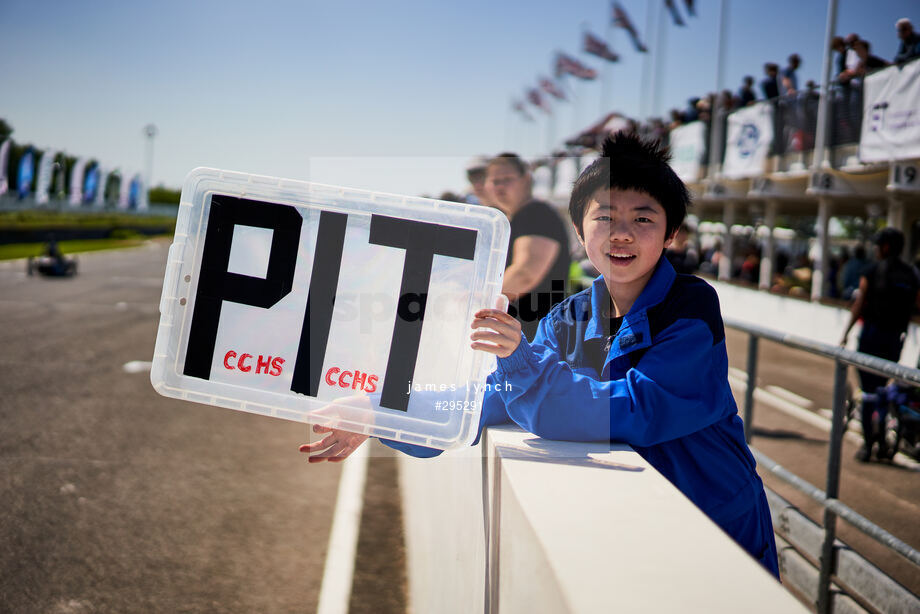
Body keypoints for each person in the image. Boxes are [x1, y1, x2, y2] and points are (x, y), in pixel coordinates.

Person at [302, 133, 781, 579]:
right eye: (605, 217)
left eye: (643, 219)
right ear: (579, 229)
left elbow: (636, 410)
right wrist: (379, 411)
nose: (621, 234)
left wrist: (521, 362)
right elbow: (492, 397)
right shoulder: (568, 316)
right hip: (630, 532)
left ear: (671, 233)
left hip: (717, 529)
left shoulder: (690, 307)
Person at [841, 228, 920, 462]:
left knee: (867, 394)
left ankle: (868, 446)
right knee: (883, 389)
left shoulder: (872, 271)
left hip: (871, 337)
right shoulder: (911, 274)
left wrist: (845, 333)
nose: (875, 249)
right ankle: (884, 441)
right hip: (895, 340)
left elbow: (859, 304)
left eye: (878, 245)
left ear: (885, 247)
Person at [482, 153, 571, 341]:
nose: (500, 187)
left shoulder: (536, 215)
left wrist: (479, 301)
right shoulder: (516, 218)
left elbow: (525, 274)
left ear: (527, 180)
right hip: (522, 335)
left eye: (507, 179)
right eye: (494, 181)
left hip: (535, 338)